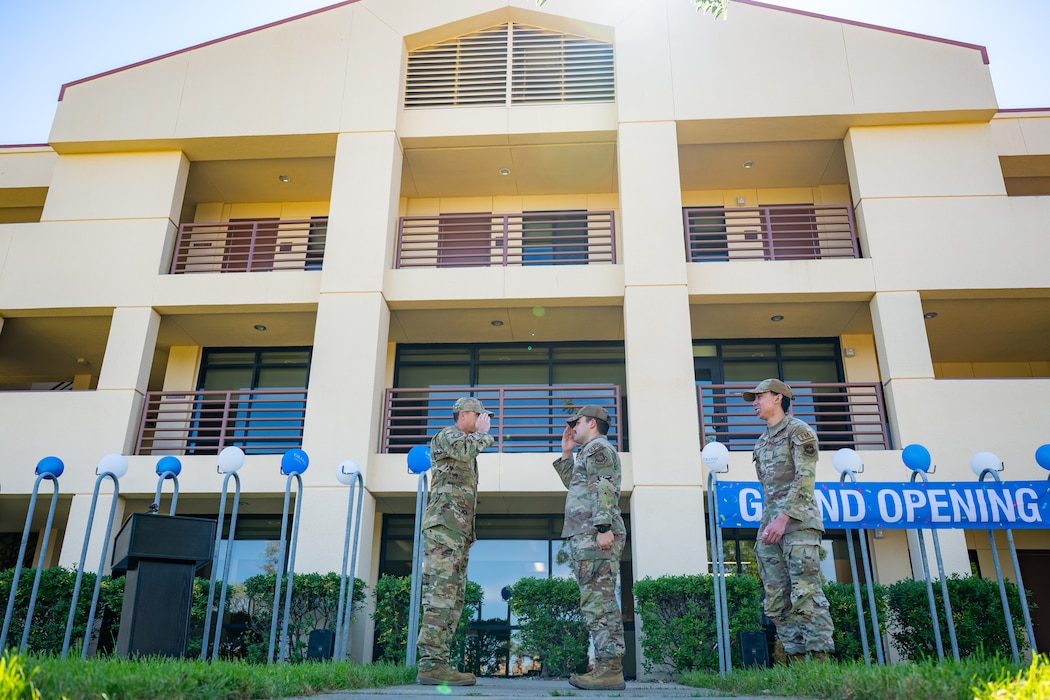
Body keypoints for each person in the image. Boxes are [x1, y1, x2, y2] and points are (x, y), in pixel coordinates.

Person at [744, 378, 835, 663]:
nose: (755, 402)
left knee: (806, 592)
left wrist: (783, 519)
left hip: (797, 525)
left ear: (778, 398)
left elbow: (804, 479)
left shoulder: (799, 431)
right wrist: (771, 523)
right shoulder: (761, 441)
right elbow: (768, 491)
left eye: (760, 396)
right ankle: (796, 661)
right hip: (770, 527)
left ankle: (819, 663)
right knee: (775, 598)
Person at [416, 396, 495, 686]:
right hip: (442, 530)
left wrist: (469, 533)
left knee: (454, 597)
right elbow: (465, 450)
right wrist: (483, 434)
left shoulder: (465, 444)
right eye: (480, 415)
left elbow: (465, 496)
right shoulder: (448, 436)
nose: (484, 420)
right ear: (464, 415)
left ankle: (439, 663)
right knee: (440, 594)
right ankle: (431, 663)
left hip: (456, 532)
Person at [553, 404, 627, 691]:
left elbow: (603, 487)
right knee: (594, 603)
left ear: (592, 424)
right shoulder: (586, 452)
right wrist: (567, 454)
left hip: (595, 536)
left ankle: (610, 668)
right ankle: (606, 666)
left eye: (577, 422)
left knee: (600, 603)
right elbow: (577, 485)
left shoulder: (599, 450)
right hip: (586, 536)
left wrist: (603, 527)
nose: (573, 428)